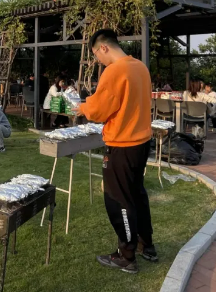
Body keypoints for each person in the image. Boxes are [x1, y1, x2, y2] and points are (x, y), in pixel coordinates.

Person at [75, 29, 156, 274]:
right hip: (141, 142)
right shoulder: (140, 67)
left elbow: (99, 110)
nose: (98, 61)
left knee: (118, 199)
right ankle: (146, 244)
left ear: (104, 47)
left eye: (96, 55)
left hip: (122, 145)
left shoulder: (114, 71)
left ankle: (126, 255)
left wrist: (83, 107)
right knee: (137, 194)